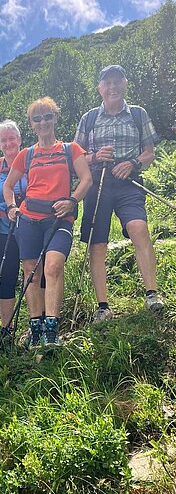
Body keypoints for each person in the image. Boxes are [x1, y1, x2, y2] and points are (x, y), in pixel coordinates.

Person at [74, 65, 164, 322]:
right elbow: (75, 157)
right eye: (107, 83)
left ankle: (152, 294)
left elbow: (149, 153)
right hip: (97, 183)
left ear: (125, 84)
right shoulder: (88, 118)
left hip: (129, 183)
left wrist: (134, 163)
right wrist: (93, 156)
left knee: (139, 228)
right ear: (99, 88)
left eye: (117, 82)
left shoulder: (138, 114)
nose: (112, 87)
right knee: (97, 242)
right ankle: (103, 306)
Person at [3, 97, 92, 348]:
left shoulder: (70, 149)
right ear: (31, 124)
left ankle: (52, 330)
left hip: (59, 218)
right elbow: (8, 186)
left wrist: (72, 200)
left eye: (47, 116)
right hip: (29, 218)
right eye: (37, 118)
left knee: (53, 265)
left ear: (55, 118)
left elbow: (86, 179)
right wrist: (11, 208)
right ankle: (36, 328)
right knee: (31, 272)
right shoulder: (26, 154)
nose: (43, 122)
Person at [0, 120, 27, 330]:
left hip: (31, 226)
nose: (9, 143)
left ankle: (37, 323)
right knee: (7, 275)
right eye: (4, 140)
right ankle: (6, 328)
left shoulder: (32, 159)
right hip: (4, 229)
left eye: (12, 138)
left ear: (19, 139)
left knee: (35, 274)